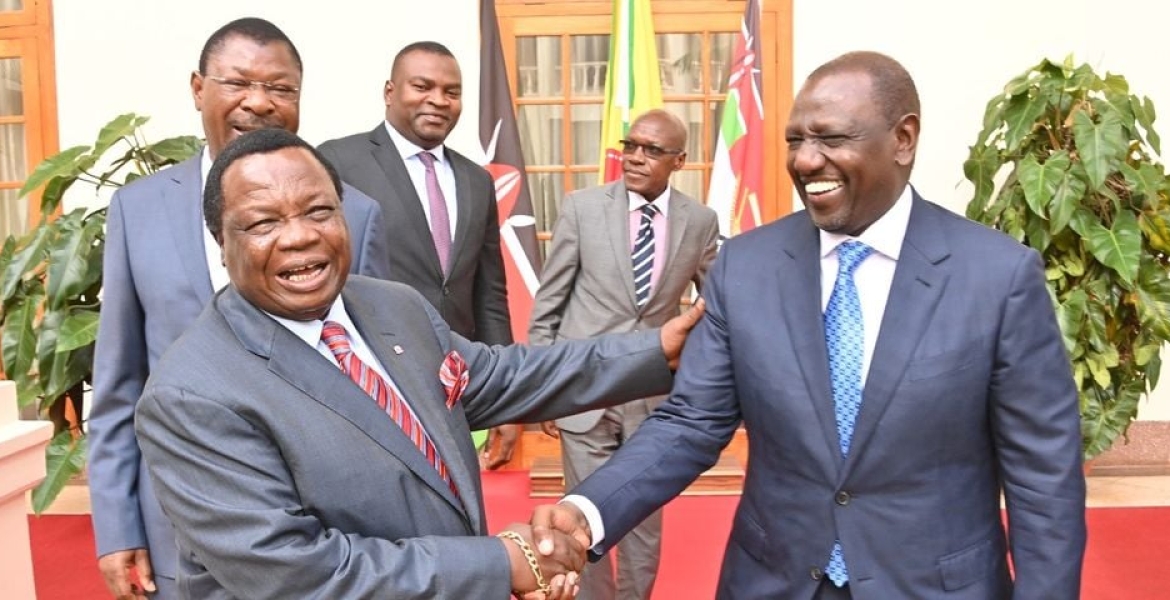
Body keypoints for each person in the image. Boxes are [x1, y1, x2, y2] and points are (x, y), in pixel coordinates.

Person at [531, 51, 1087, 599]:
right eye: (795, 140)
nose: (804, 161)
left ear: (903, 139)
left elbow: (1044, 478)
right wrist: (587, 512)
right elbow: (692, 422)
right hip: (774, 579)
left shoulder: (998, 276)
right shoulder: (745, 266)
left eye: (831, 139)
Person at [133, 127, 701, 599]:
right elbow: (296, 574)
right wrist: (500, 565)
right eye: (264, 223)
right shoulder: (191, 396)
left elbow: (505, 378)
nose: (300, 237)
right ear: (221, 240)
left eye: (319, 211)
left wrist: (657, 350)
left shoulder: (393, 306)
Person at [86, 17, 392, 600]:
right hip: (180, 522)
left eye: (280, 88)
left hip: (325, 534)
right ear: (198, 89)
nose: (259, 102)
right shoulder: (138, 210)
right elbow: (119, 384)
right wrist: (117, 525)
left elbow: (374, 375)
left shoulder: (352, 213)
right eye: (238, 83)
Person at [527, 109, 719, 600]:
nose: (634, 157)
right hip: (583, 390)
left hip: (652, 396)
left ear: (679, 161)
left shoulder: (700, 222)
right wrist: (543, 388)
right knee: (582, 519)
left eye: (652, 150)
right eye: (629, 145)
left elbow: (717, 305)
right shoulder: (582, 207)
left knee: (642, 523)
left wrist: (700, 374)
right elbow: (549, 304)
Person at [318, 40, 520, 468]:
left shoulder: (476, 180)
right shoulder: (338, 161)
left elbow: (489, 294)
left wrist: (506, 394)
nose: (439, 100)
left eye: (451, 92)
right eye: (423, 87)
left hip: (455, 388)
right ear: (390, 92)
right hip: (370, 383)